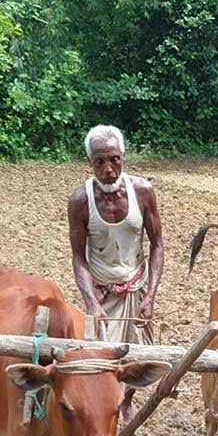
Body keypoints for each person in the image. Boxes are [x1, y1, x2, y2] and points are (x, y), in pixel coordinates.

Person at [68, 124, 164, 418]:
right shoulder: (80, 201)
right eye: (99, 162)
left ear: (123, 156)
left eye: (114, 160)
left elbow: (157, 245)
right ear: (90, 163)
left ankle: (127, 399)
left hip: (136, 286)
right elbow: (78, 256)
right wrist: (91, 302)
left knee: (139, 353)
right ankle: (107, 409)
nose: (108, 169)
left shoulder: (143, 192)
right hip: (103, 292)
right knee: (103, 358)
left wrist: (150, 295)